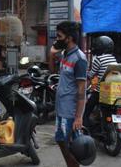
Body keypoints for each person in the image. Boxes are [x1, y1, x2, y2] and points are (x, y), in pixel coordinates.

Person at [53, 21, 87, 167]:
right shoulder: (65, 54)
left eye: (59, 36)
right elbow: (52, 70)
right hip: (61, 108)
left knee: (71, 146)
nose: (57, 39)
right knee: (61, 141)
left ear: (69, 38)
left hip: (70, 112)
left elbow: (81, 90)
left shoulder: (79, 59)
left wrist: (78, 117)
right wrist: (51, 54)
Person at [83, 36, 118, 126]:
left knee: (88, 108)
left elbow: (91, 74)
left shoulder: (99, 59)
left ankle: (85, 124)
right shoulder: (113, 58)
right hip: (112, 90)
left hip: (101, 90)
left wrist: (84, 73)